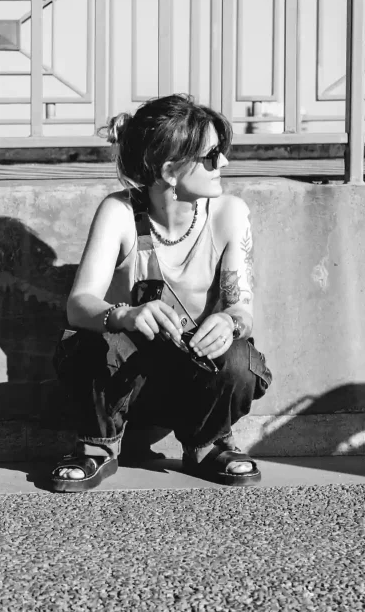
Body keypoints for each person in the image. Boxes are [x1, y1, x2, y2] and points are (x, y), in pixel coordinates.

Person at [50, 94, 272, 492]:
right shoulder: (119, 212)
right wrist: (123, 315)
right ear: (170, 171)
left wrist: (229, 321)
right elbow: (78, 305)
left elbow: (243, 307)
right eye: (211, 156)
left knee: (241, 359)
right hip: (126, 385)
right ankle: (97, 447)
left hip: (195, 380)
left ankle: (209, 445)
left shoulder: (229, 214)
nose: (223, 163)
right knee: (88, 346)